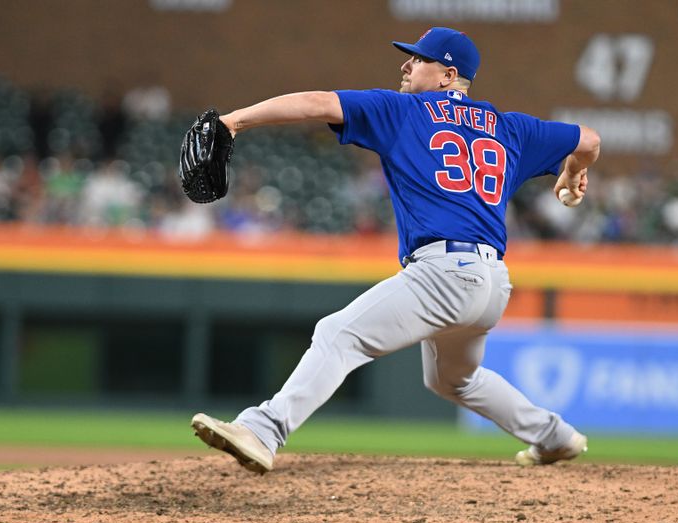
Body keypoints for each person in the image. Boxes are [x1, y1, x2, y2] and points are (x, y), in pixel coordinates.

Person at [191, 27, 600, 473]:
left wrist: (235, 122)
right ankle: (554, 436)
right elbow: (590, 140)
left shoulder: (404, 110)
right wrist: (572, 172)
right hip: (492, 284)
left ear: (448, 75)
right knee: (453, 379)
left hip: (443, 273)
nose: (406, 65)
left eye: (419, 60)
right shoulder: (511, 127)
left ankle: (264, 430)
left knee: (338, 334)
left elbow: (316, 102)